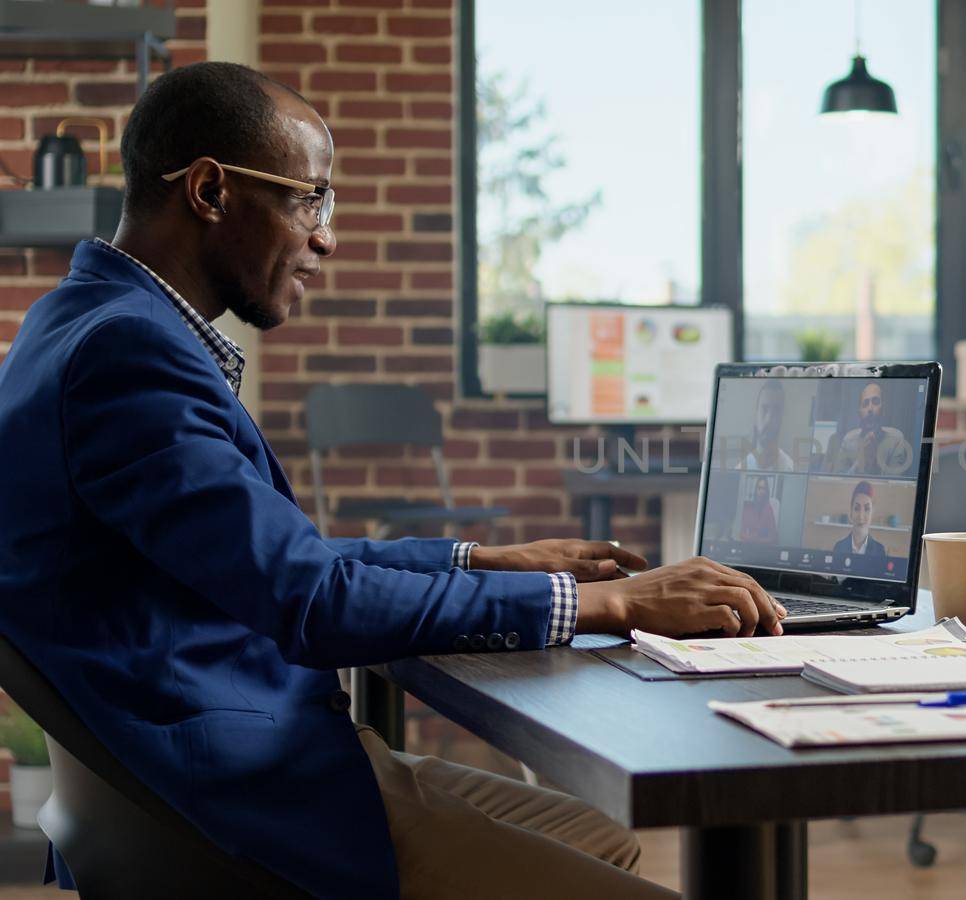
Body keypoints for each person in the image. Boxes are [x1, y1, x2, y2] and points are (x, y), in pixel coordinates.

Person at [0, 62, 786, 900]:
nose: (326, 236)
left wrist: (479, 560)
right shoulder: (129, 354)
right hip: (247, 801)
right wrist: (606, 603)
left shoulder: (77, 319)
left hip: (220, 756)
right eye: (310, 199)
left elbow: (264, 558)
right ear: (209, 191)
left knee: (595, 836)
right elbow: (310, 601)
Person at [828, 382, 911, 475]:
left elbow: (894, 486)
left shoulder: (896, 439)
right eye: (865, 403)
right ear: (859, 412)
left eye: (875, 402)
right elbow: (838, 482)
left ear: (883, 408)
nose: (870, 408)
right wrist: (860, 462)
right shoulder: (848, 440)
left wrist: (874, 461)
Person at [739, 380, 795, 471]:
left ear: (782, 418)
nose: (769, 419)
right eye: (764, 409)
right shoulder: (740, 469)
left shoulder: (791, 470)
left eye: (776, 411)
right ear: (756, 414)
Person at [832, 481, 887, 557]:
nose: (861, 516)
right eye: (857, 508)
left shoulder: (880, 551)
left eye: (867, 509)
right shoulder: (839, 548)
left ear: (872, 514)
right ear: (850, 513)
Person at [738, 476, 780, 544]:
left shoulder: (768, 509)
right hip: (748, 545)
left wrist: (758, 540)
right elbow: (741, 533)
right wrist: (749, 538)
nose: (761, 491)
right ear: (755, 489)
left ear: (767, 491)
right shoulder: (747, 508)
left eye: (764, 489)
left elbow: (774, 537)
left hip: (761, 547)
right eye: (759, 488)